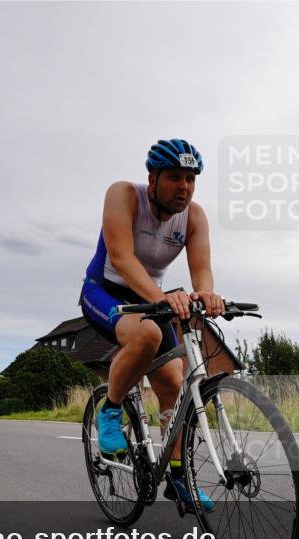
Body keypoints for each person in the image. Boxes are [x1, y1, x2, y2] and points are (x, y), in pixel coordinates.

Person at [80, 139, 224, 512]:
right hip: (106, 291)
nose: (184, 188)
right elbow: (121, 257)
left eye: (191, 179)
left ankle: (179, 477)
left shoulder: (194, 217)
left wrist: (206, 294)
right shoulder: (124, 195)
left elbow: (202, 269)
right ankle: (110, 410)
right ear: (153, 178)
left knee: (174, 382)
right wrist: (160, 298)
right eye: (175, 177)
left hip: (149, 298)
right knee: (146, 334)